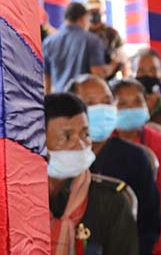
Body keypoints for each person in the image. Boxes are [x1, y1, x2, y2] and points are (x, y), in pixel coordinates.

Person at [68, 74, 161, 255]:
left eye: (107, 101)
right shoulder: (60, 159)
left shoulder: (136, 158)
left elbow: (149, 226)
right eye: (90, 103)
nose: (102, 110)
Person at [46, 92, 138, 254]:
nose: (81, 144)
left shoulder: (111, 201)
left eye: (85, 134)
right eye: (67, 137)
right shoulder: (17, 200)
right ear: (39, 142)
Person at [113, 78, 161, 255]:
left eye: (137, 102)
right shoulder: (104, 141)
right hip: (111, 217)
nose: (131, 108)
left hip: (154, 216)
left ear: (146, 105)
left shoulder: (158, 142)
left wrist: (149, 218)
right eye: (123, 104)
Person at [42, 2, 107, 93]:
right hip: (85, 98)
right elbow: (97, 75)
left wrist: (48, 99)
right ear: (83, 18)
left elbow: (46, 78)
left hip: (59, 97)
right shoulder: (92, 40)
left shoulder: (48, 42)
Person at [86, 0, 128, 79]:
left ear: (103, 13)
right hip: (86, 79)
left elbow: (122, 59)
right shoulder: (82, 33)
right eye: (91, 12)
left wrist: (125, 80)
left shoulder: (112, 33)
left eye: (97, 12)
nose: (94, 15)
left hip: (109, 78)